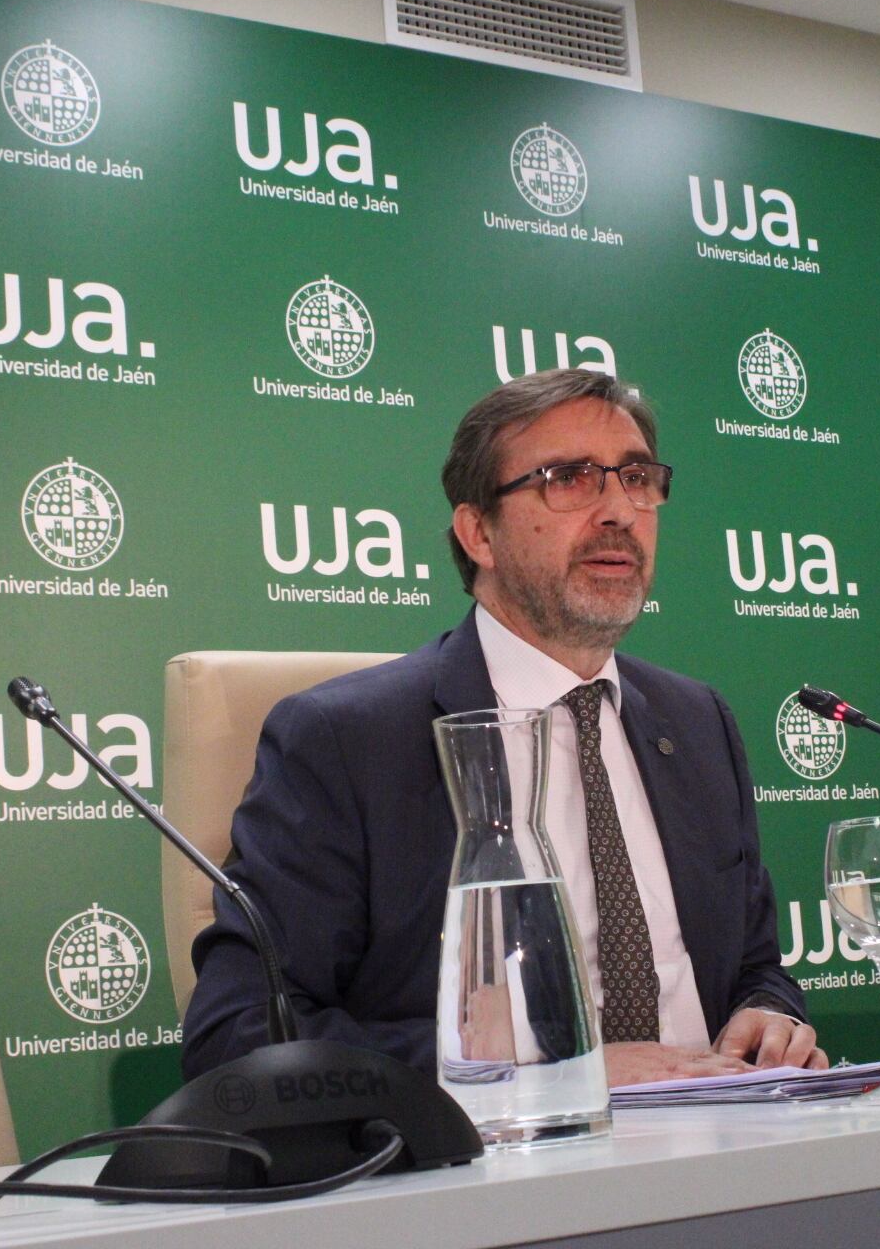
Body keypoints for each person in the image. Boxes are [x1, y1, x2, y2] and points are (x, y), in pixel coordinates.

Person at [183, 369, 825, 1085]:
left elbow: (754, 968)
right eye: (571, 478)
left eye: (636, 477)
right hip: (495, 1170)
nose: (619, 509)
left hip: (727, 1148)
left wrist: (769, 1018)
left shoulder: (697, 722)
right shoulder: (346, 741)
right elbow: (240, 1031)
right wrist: (552, 1068)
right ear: (478, 533)